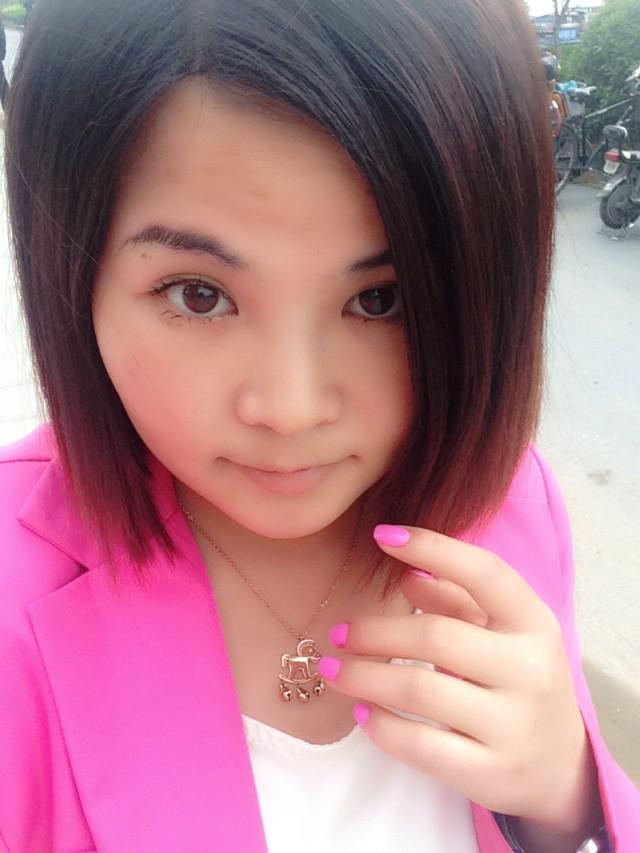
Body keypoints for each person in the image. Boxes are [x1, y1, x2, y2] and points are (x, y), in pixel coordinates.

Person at [1, 1, 638, 851]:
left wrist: (567, 806)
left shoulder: (514, 503)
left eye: (381, 299)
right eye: (199, 294)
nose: (292, 407)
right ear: (69, 274)